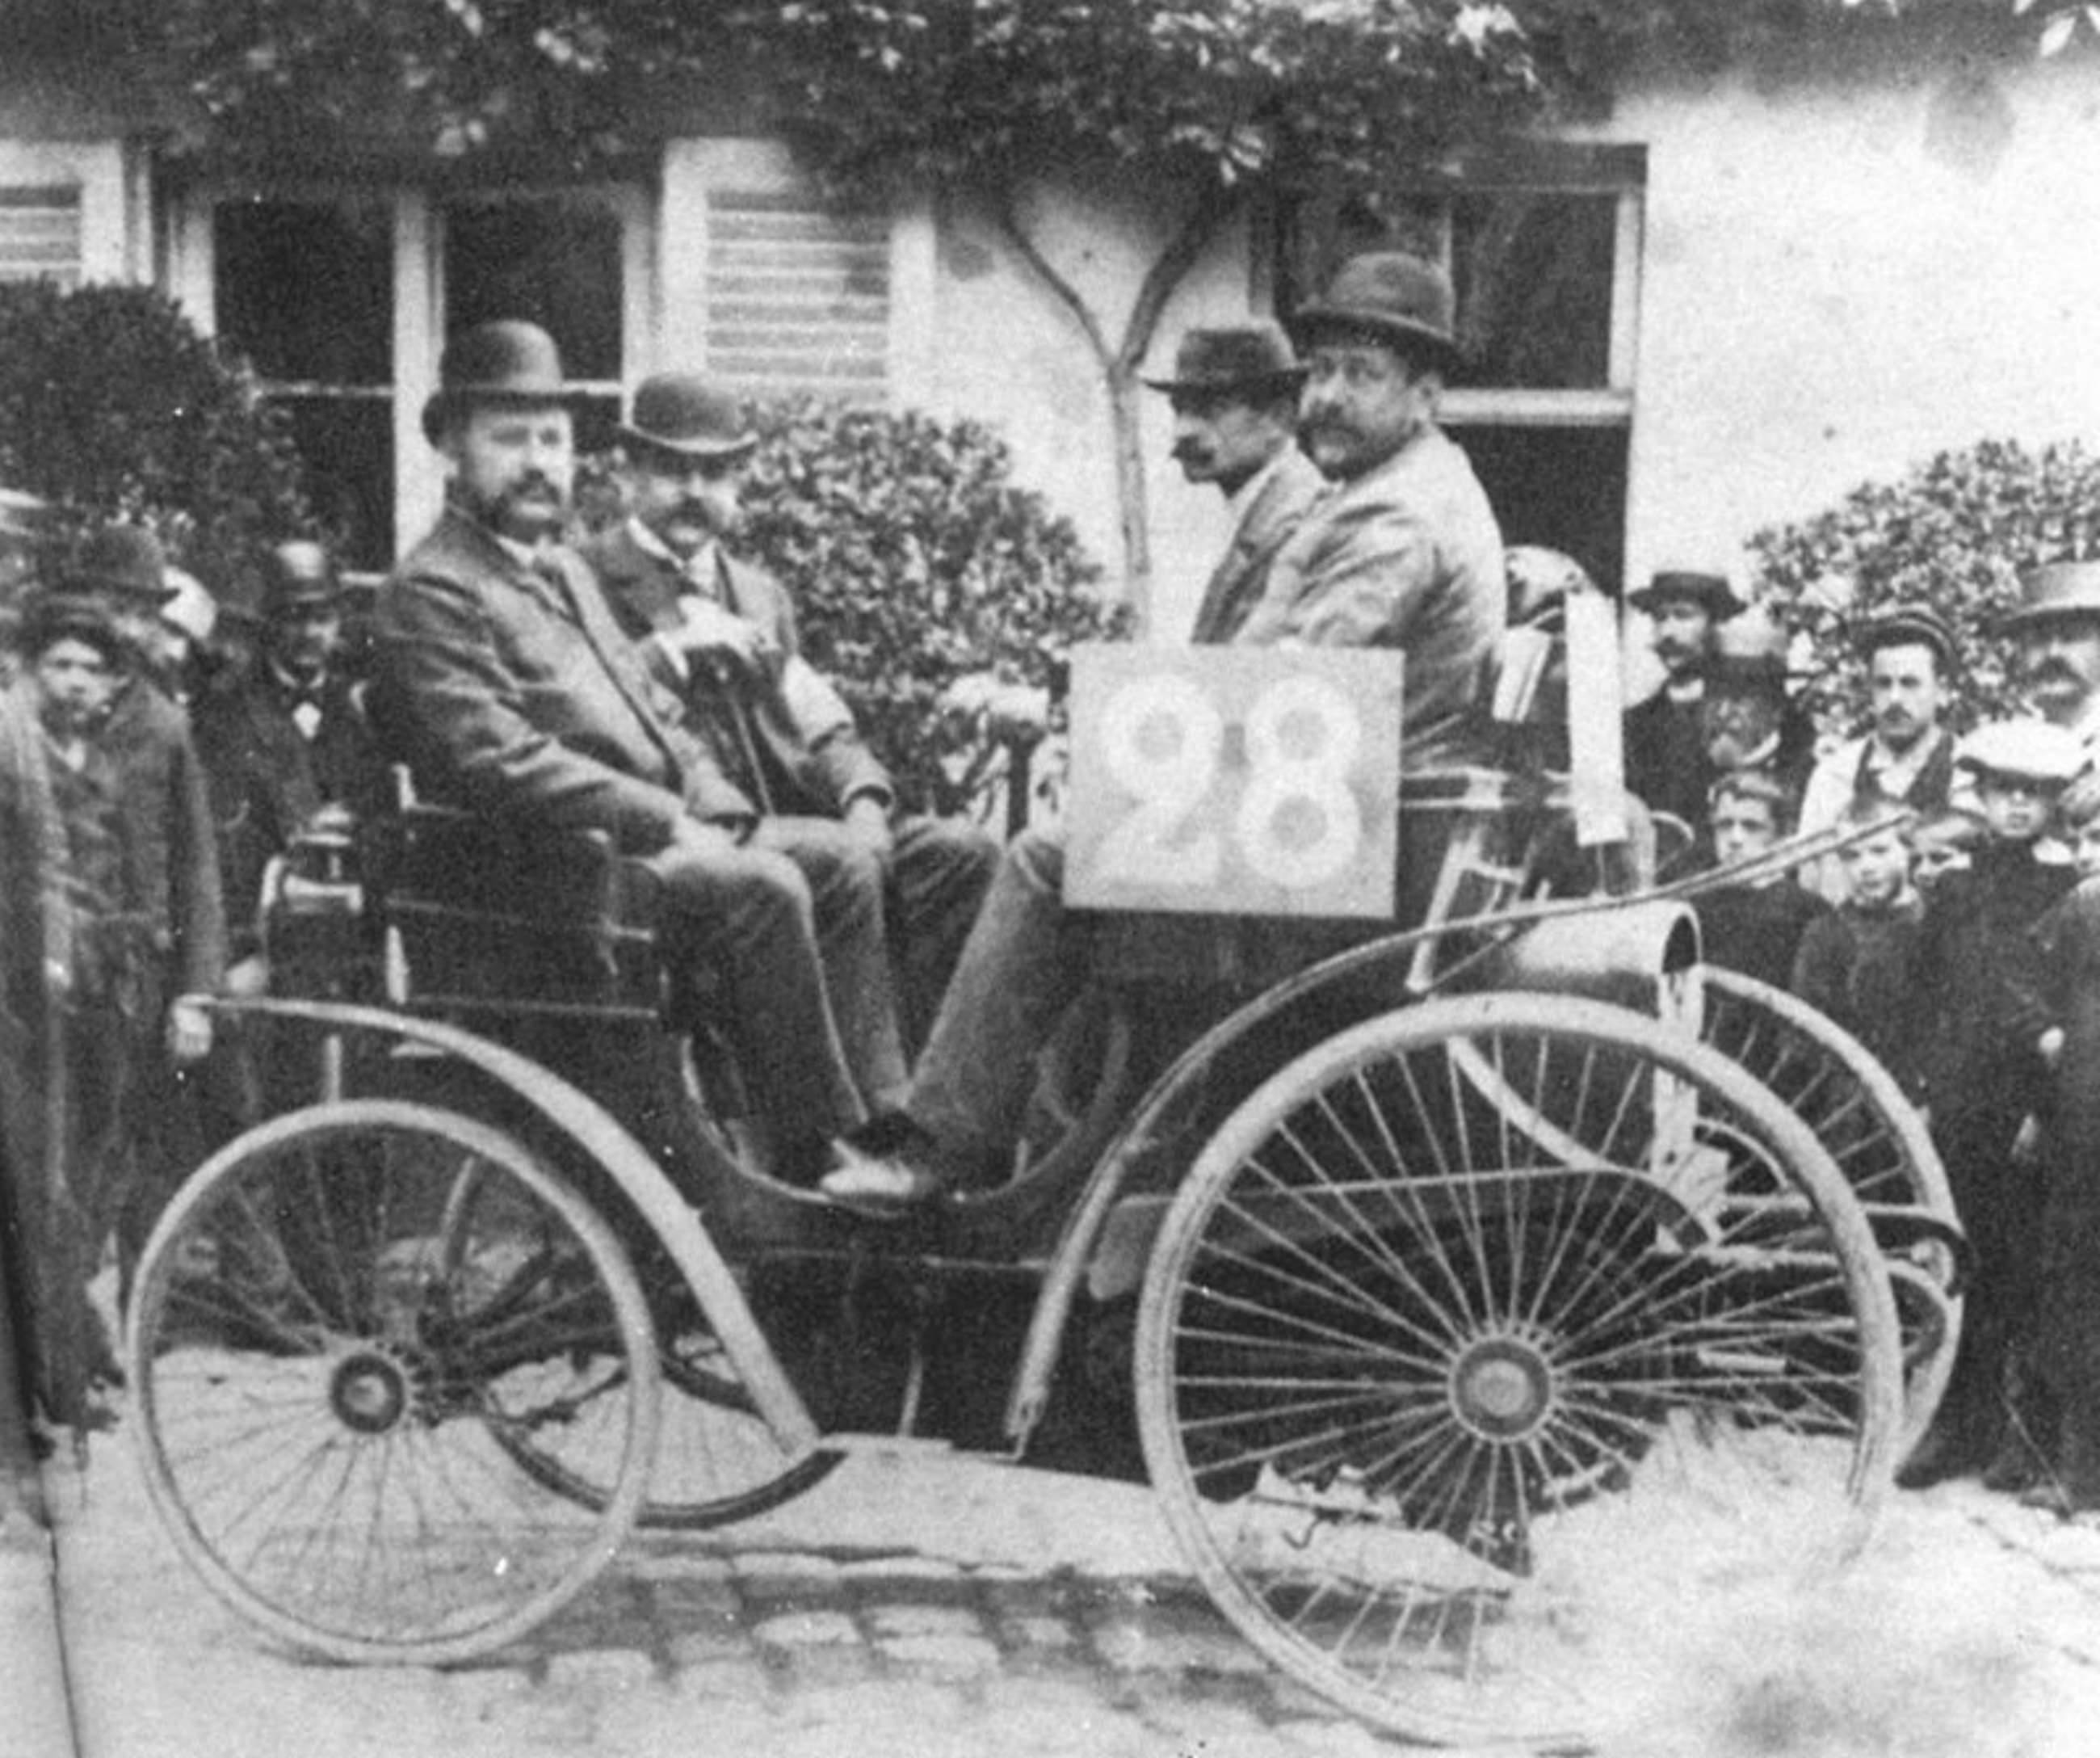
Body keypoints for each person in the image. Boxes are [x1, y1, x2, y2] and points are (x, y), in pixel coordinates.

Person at [824, 250, 1506, 1213]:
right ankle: (1043, 1159)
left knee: (1043, 859)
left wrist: (1113, 768)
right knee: (1074, 847)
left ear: (1425, 396)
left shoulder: (1394, 515)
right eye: (1320, 372)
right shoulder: (1410, 483)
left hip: (1344, 853)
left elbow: (1275, 702)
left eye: (1363, 376)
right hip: (1353, 827)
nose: (1329, 399)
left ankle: (940, 1143)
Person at [369, 320, 897, 1189]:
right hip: (546, 880)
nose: (539, 461)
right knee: (761, 885)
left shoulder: (558, 576)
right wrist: (667, 824)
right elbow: (500, 759)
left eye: (553, 438)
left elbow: (657, 715)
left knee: (837, 859)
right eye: (510, 439)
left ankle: (883, 1127)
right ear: (451, 452)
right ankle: (815, 1158)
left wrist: (713, 810)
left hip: (631, 856)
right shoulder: (434, 588)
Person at [580, 372, 995, 1058]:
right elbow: (584, 713)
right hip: (684, 835)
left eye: (715, 472)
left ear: (740, 479)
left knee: (960, 855)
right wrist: (666, 654)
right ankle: (876, 1124)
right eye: (672, 469)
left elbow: (820, 719)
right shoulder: (584, 578)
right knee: (839, 860)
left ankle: (940, 1093)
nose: (694, 491)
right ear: (629, 471)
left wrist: (863, 798)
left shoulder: (759, 594)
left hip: (792, 816)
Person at [12, 589, 223, 1441]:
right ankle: (61, 1369)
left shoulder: (163, 728)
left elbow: (195, 866)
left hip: (125, 991)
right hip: (30, 994)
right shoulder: (20, 734)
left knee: (100, 1181)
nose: (76, 677)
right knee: (40, 1181)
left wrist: (194, 990)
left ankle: (85, 1356)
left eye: (141, 613)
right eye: (58, 662)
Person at [1903, 719, 2084, 1490]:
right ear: (1979, 795)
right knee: (1962, 1259)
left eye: (2032, 795)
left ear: (2054, 802)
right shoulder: (1959, 889)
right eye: (2002, 791)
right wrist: (1921, 1086)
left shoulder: (2070, 892)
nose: (2015, 807)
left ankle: (2024, 1436)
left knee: (2027, 1269)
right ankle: (1956, 1423)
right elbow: (1933, 989)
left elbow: (2060, 1005)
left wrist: (2045, 1101)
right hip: (1964, 1095)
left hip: (2033, 1104)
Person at [195, 540, 388, 992]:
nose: (310, 633)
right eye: (295, 617)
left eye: (322, 618)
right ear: (269, 624)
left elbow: (384, 822)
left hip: (349, 949)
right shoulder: (225, 712)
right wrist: (240, 949)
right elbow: (220, 845)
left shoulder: (357, 711)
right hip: (264, 951)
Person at [2006, 784, 2100, 1515]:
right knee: (2074, 1291)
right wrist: (2048, 1035)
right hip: (2083, 1125)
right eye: (2088, 840)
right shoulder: (2082, 908)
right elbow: (2025, 988)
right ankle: (2080, 1471)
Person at [1143, 322, 1327, 643]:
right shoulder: (1258, 511)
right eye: (1179, 409)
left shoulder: (1299, 526)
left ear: (1278, 418)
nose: (1182, 431)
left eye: (1210, 409)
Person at [1795, 604, 1967, 902]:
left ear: (1942, 691)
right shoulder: (1834, 777)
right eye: (1883, 684)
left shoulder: (1968, 773)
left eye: (1910, 684)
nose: (1895, 699)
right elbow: (1810, 887)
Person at [1788, 802, 1927, 1097]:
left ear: (1910, 851)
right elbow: (1804, 1034)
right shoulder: (1825, 933)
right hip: (1849, 1101)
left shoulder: (1935, 923)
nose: (1866, 867)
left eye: (1880, 851)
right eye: (1852, 856)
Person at [1621, 568, 1743, 832]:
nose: (1667, 632)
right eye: (1660, 618)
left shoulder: (1747, 715)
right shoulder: (1633, 725)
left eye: (1683, 616)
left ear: (1715, 625)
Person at [1691, 769, 1829, 989]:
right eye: (1725, 825)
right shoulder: (1694, 906)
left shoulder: (1807, 913)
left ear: (1781, 835)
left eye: (1751, 827)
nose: (1735, 839)